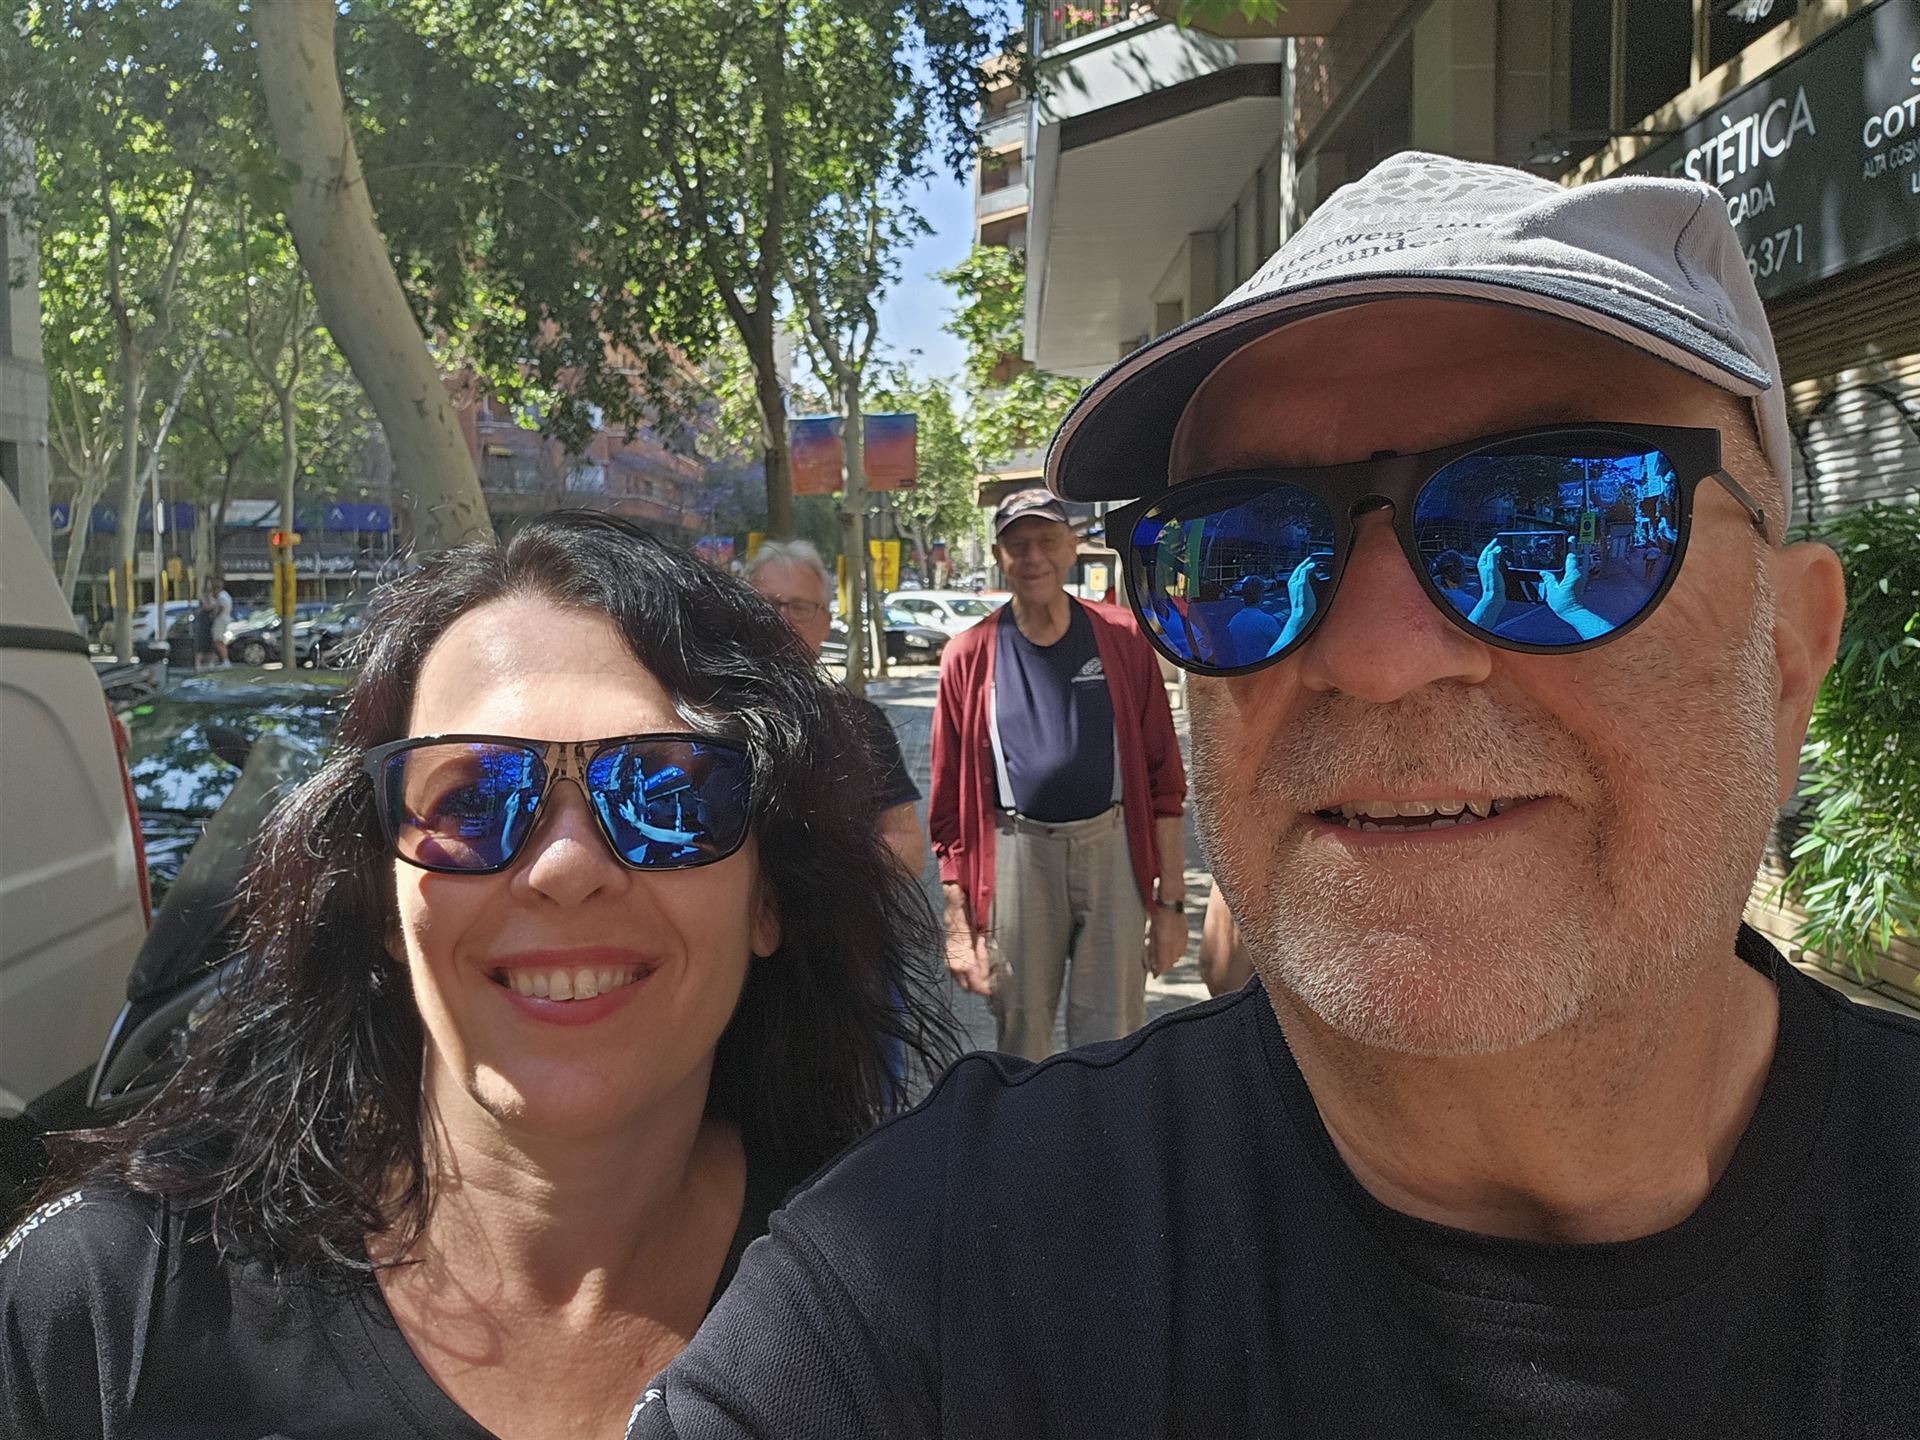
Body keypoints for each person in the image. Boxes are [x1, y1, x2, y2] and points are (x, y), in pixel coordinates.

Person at [621, 152, 1916, 1438]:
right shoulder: (926, 1281)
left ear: (1789, 658)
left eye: (1549, 525)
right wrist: (966, 904)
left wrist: (1161, 889)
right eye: (1243, 553)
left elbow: (1147, 760)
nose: (1375, 655)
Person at [0, 511, 956, 1439]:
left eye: (667, 795)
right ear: (385, 899)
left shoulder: (918, 1316)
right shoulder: (105, 1314)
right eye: (473, 802)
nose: (564, 867)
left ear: (767, 899)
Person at [930, 488, 1187, 1061]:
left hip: (1112, 850)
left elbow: (1164, 781)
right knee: (1021, 1038)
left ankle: (1103, 1125)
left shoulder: (1122, 638)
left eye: (1047, 541)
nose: (1034, 557)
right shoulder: (968, 655)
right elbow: (947, 807)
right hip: (1017, 855)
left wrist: (1171, 905)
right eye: (1017, 545)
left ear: (1072, 547)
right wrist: (958, 924)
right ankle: (1034, 1124)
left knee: (1113, 1039)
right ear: (998, 556)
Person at [744, 539, 923, 877]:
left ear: (825, 623)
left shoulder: (861, 723)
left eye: (799, 608)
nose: (781, 620)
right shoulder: (703, 715)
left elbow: (908, 848)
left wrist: (823, 865)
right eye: (766, 605)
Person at [192, 578, 219, 671]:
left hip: (210, 625)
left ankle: (210, 663)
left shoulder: (213, 600)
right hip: (203, 626)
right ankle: (198, 664)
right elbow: (206, 607)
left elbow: (215, 611)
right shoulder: (203, 600)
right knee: (201, 646)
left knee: (210, 646)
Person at [209, 579, 233, 667]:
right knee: (219, 640)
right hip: (224, 619)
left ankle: (225, 661)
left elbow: (222, 607)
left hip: (220, 620)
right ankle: (221, 660)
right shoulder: (226, 595)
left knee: (217, 641)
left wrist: (214, 615)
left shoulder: (221, 596)